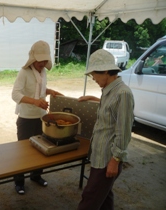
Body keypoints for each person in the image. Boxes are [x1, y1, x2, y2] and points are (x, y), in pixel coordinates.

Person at [77, 49, 134, 210]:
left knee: (89, 198)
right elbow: (111, 111)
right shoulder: (109, 91)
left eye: (94, 74)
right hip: (99, 155)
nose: (93, 78)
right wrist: (92, 98)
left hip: (107, 159)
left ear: (107, 71)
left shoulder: (123, 93)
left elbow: (123, 131)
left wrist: (115, 160)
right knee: (104, 197)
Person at [11, 40, 63, 195]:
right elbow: (15, 94)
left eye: (45, 60)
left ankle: (36, 175)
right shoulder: (24, 72)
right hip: (26, 118)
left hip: (41, 117)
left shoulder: (43, 72)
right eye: (40, 60)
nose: (43, 63)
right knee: (23, 151)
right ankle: (19, 182)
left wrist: (50, 91)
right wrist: (35, 102)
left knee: (41, 149)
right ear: (33, 58)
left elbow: (40, 89)